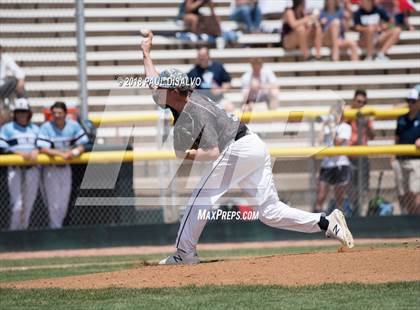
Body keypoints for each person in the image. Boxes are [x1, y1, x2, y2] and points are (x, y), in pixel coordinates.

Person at [140, 30, 354, 265]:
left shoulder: (196, 111)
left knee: (201, 198)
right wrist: (146, 53)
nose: (157, 89)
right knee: (270, 212)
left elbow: (213, 152)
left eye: (162, 87)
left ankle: (184, 254)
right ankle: (327, 222)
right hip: (252, 145)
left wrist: (187, 156)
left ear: (173, 91)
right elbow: (153, 82)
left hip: (237, 148)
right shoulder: (178, 100)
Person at [36, 101, 89, 229]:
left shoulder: (73, 125)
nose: (57, 115)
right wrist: (61, 154)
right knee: (54, 204)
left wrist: (73, 152)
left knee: (64, 203)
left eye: (60, 113)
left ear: (65, 114)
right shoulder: (46, 127)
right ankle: (55, 230)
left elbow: (83, 144)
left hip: (66, 168)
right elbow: (42, 148)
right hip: (51, 168)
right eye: (54, 113)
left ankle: (58, 228)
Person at [0, 98, 39, 230]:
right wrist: (20, 153)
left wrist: (36, 150)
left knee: (28, 205)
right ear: (15, 113)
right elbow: (2, 147)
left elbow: (44, 145)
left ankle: (23, 235)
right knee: (17, 205)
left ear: (29, 113)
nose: (22, 114)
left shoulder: (35, 128)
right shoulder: (7, 128)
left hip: (32, 169)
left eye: (24, 112)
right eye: (19, 112)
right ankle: (13, 235)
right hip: (15, 169)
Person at [314, 105, 353, 214]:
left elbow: (337, 143)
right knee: (320, 195)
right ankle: (318, 219)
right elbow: (319, 141)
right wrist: (324, 126)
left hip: (340, 165)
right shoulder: (327, 127)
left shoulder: (345, 127)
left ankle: (340, 219)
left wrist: (332, 129)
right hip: (326, 165)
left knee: (339, 197)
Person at [391, 88, 420, 215]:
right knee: (402, 192)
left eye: (413, 101)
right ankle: (407, 217)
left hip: (416, 160)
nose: (410, 103)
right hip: (401, 159)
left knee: (414, 191)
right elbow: (396, 138)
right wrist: (392, 156)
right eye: (409, 101)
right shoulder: (401, 118)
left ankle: (414, 219)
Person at [347, 89, 374, 215]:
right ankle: (353, 210)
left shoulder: (366, 115)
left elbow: (372, 135)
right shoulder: (347, 113)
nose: (360, 104)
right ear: (354, 101)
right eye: (358, 101)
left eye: (363, 102)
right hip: (349, 156)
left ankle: (361, 213)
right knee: (350, 187)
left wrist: (366, 123)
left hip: (362, 156)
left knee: (363, 187)